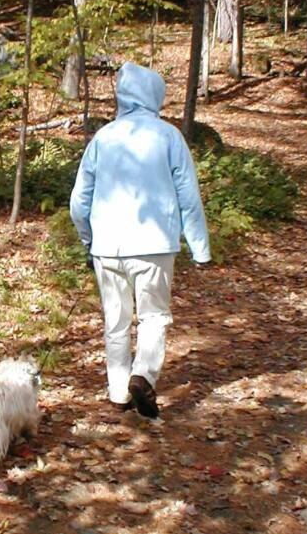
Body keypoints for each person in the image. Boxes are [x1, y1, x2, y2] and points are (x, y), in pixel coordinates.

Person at [69, 62, 211, 418]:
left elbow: (78, 201)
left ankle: (119, 392)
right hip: (154, 244)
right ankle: (143, 375)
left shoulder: (102, 138)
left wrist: (88, 238)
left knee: (115, 321)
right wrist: (200, 249)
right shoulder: (168, 137)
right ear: (155, 96)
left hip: (107, 247)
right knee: (153, 317)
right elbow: (188, 197)